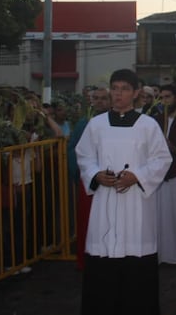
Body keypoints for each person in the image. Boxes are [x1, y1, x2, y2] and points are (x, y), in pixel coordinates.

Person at [75, 68, 172, 315]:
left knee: (136, 267)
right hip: (104, 200)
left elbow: (162, 159)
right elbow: (84, 156)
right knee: (102, 266)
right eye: (115, 88)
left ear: (136, 92)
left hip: (136, 205)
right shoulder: (96, 125)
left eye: (125, 89)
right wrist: (96, 174)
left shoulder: (148, 125)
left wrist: (137, 176)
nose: (118, 94)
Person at [66, 86, 110, 270]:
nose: (99, 101)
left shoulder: (115, 122)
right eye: (96, 98)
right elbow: (73, 149)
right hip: (90, 181)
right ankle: (86, 260)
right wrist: (80, 173)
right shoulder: (85, 123)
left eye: (103, 98)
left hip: (111, 183)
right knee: (87, 221)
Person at [150, 84, 176, 266]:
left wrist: (175, 148)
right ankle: (161, 254)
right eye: (162, 97)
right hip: (159, 176)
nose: (164, 101)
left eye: (168, 97)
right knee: (159, 218)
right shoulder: (155, 121)